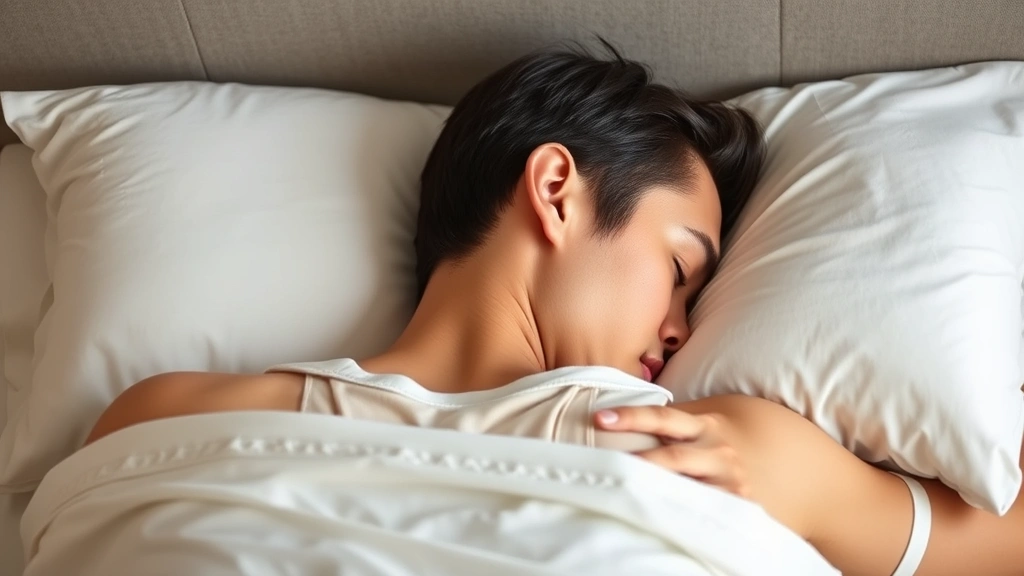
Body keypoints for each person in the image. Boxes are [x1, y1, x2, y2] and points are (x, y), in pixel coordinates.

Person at [84, 45, 1023, 575]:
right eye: (678, 267)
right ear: (558, 186)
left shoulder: (720, 444)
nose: (684, 330)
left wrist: (820, 486)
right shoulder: (178, 420)